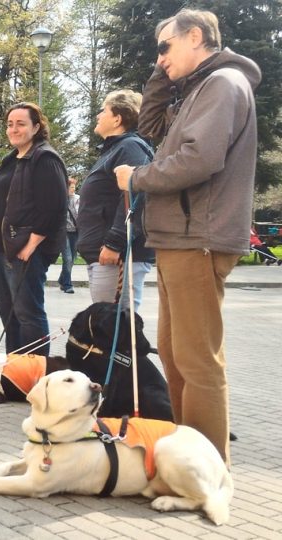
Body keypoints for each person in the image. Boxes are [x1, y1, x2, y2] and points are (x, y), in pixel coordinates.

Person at [114, 9, 260, 464]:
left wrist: (137, 177)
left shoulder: (222, 85)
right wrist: (162, 72)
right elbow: (151, 126)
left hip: (200, 236)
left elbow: (199, 159)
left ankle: (207, 470)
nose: (160, 57)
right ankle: (185, 456)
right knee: (177, 358)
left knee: (197, 362)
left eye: (166, 47)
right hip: (181, 237)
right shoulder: (198, 88)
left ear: (195, 36)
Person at [0, 103, 67, 356]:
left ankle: (34, 371)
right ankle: (14, 370)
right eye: (10, 124)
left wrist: (30, 245)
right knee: (9, 313)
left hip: (23, 249)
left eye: (21, 124)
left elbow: (54, 207)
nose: (13, 129)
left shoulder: (44, 158)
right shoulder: (13, 159)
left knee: (28, 312)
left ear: (37, 127)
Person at [77, 90, 155, 310]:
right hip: (104, 254)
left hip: (117, 254)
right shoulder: (115, 150)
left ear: (118, 118)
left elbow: (137, 195)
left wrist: (115, 242)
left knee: (116, 326)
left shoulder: (131, 147)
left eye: (104, 110)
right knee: (109, 326)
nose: (98, 115)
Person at [57, 177, 80, 293]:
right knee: (68, 258)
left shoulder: (78, 199)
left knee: (73, 258)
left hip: (75, 231)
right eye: (70, 187)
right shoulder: (59, 200)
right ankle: (67, 285)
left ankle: (62, 279)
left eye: (74, 187)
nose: (73, 189)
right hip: (63, 232)